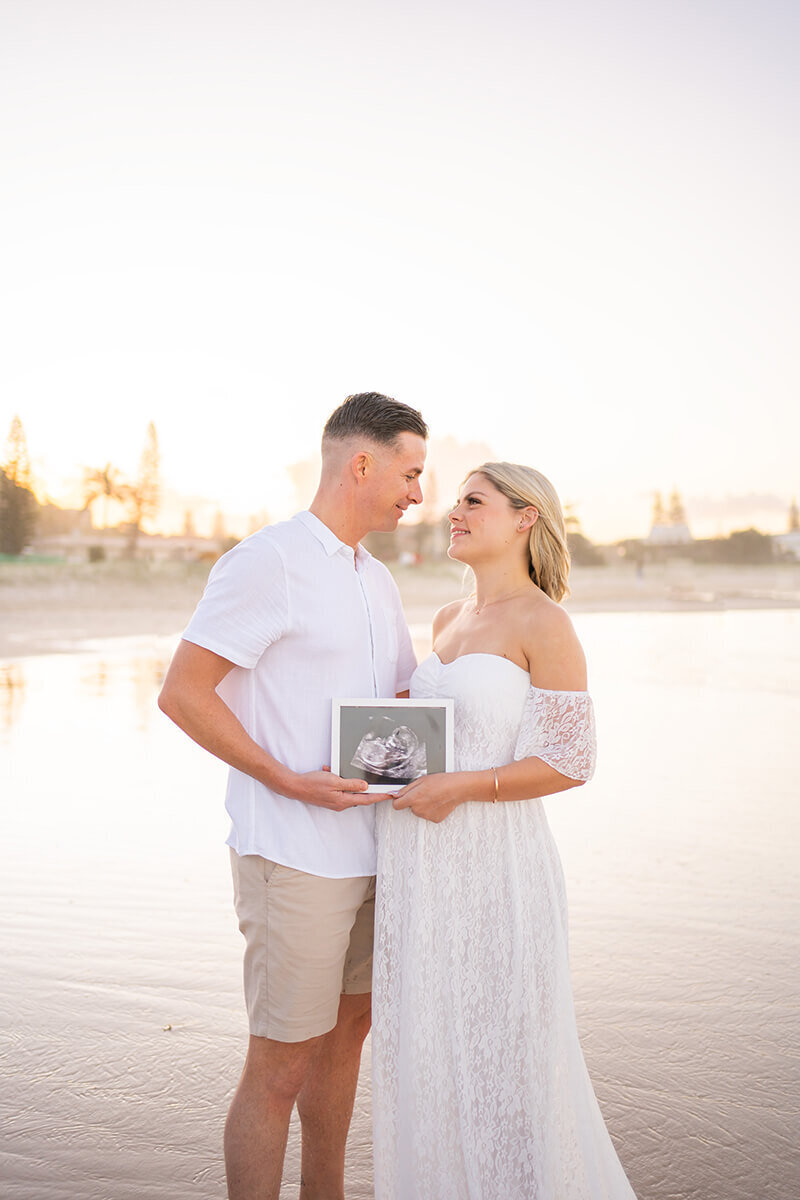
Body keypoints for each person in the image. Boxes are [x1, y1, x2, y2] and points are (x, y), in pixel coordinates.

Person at [157, 392, 427, 1200]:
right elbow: (184, 693)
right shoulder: (267, 560)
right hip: (293, 855)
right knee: (279, 1065)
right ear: (362, 464)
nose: (419, 492)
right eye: (411, 473)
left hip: (378, 853)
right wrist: (285, 778)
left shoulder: (376, 578)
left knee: (345, 1046)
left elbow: (397, 709)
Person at [371, 462, 637, 1199]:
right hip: (420, 868)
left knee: (506, 1057)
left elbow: (571, 761)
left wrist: (466, 785)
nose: (452, 511)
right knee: (430, 1053)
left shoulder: (544, 622)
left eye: (472, 501)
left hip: (497, 869)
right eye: (455, 500)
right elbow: (437, 735)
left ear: (526, 519)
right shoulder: (446, 622)